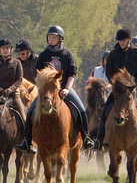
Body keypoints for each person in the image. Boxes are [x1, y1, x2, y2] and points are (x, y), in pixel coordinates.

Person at [14, 25, 93, 154]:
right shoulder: (44, 54)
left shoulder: (67, 54)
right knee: (30, 112)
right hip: (48, 91)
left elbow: (72, 73)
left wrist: (67, 88)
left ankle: (86, 137)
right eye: (49, 37)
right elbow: (37, 73)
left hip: (64, 88)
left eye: (54, 37)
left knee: (81, 110)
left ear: (60, 39)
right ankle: (27, 141)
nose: (51, 40)